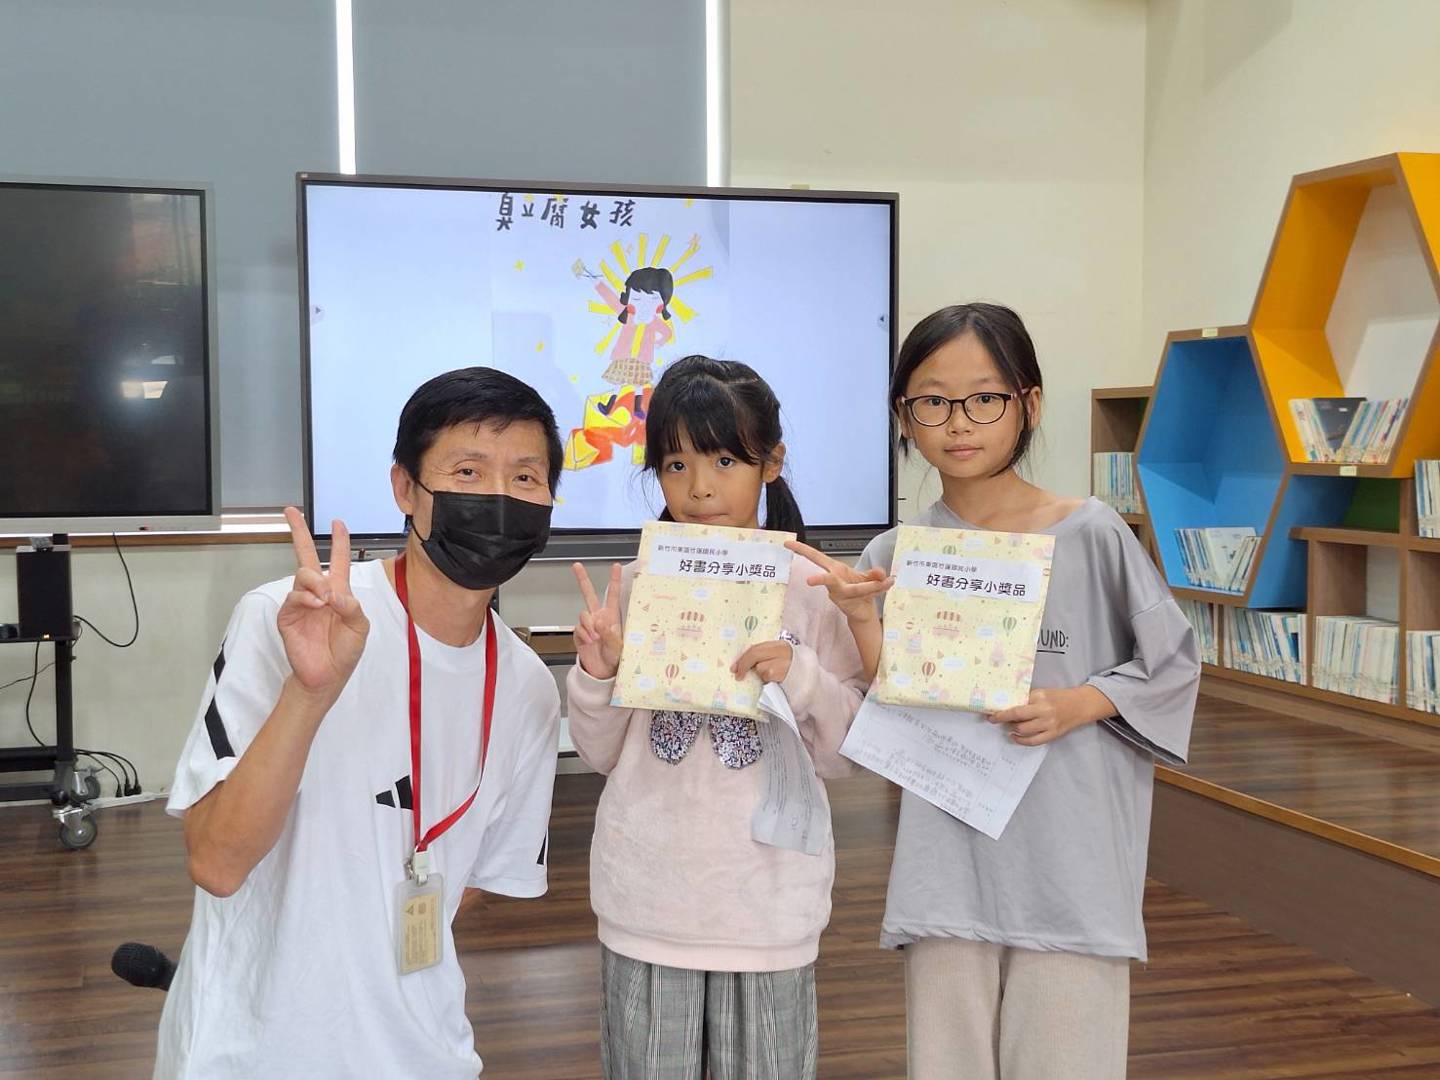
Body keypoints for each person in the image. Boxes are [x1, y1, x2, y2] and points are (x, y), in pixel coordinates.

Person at [801, 303, 1200, 1080]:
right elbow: (894, 702)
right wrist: (860, 618)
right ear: (904, 416)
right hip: (948, 864)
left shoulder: (1091, 533)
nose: (959, 422)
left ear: (1029, 404)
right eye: (932, 401)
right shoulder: (896, 552)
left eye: (985, 398)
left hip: (1069, 863)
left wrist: (1080, 702)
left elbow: (1174, 664)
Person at [154, 367, 565, 1079]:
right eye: (468, 471)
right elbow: (216, 864)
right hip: (253, 1055)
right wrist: (309, 694)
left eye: (525, 477)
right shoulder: (285, 621)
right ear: (405, 488)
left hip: (427, 1054)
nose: (499, 498)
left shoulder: (528, 688)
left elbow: (464, 885)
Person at [565, 355, 870, 1079]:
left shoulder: (816, 590)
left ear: (772, 463)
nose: (699, 487)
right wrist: (598, 673)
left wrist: (801, 676)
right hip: (647, 902)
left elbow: (846, 756)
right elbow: (601, 753)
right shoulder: (639, 586)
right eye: (676, 464)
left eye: (725, 460)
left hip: (768, 907)